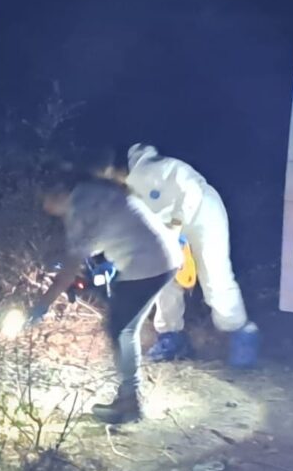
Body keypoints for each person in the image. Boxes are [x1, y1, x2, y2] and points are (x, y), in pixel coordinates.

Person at [31, 168, 182, 424]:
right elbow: (104, 236)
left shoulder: (80, 208)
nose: (45, 209)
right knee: (123, 326)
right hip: (166, 257)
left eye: (44, 200)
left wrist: (42, 304)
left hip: (146, 264)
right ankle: (128, 398)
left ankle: (129, 402)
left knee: (121, 329)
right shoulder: (96, 192)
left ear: (57, 192)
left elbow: (71, 266)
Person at [110, 144, 259, 368]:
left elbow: (192, 190)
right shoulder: (129, 189)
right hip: (172, 228)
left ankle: (241, 332)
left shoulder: (161, 169)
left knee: (215, 275)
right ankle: (171, 337)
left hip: (203, 215)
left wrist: (178, 224)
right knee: (164, 277)